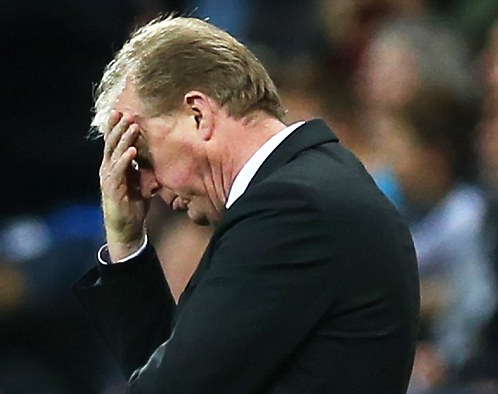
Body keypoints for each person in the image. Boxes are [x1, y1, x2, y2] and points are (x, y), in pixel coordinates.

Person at [74, 15, 420, 394]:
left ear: (198, 115)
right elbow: (170, 366)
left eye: (143, 156)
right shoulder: (309, 187)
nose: (147, 184)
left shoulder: (292, 209)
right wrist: (126, 243)